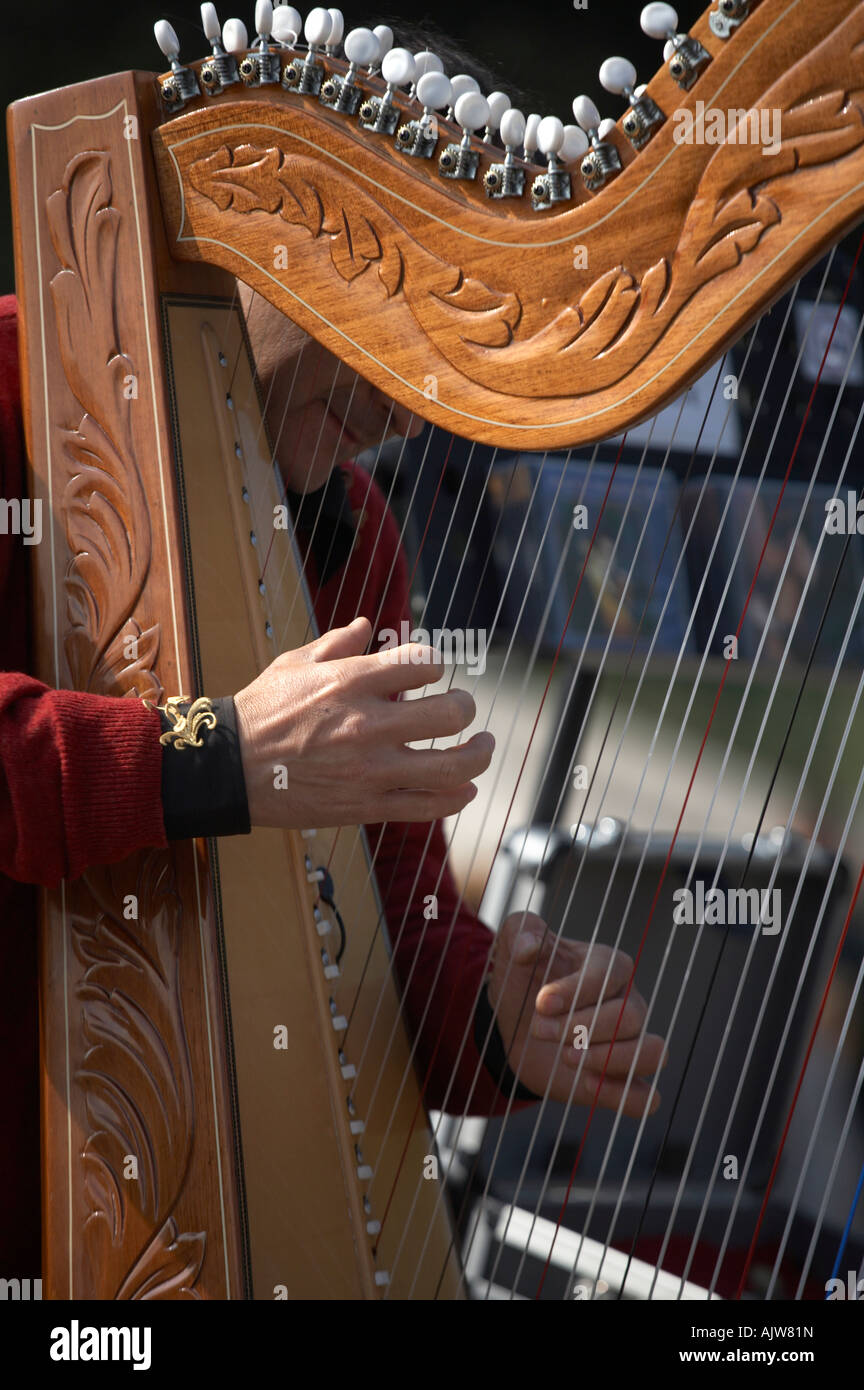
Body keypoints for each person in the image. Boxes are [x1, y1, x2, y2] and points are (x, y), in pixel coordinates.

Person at [0, 282, 665, 1279]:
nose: (409, 403)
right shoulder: (14, 372)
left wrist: (497, 1019)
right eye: (401, 323)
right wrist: (217, 754)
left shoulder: (358, 539)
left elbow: (396, 908)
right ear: (279, 236)